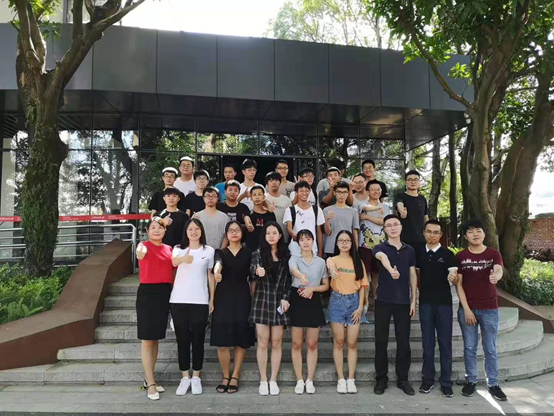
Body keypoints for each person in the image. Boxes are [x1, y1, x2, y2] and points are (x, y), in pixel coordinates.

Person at [454, 219, 507, 401]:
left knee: (490, 348)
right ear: (465, 236)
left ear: (484, 233)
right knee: (469, 348)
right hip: (467, 309)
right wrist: (467, 310)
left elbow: (498, 269)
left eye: (478, 230)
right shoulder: (461, 256)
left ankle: (493, 384)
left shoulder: (493, 254)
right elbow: (458, 285)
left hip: (489, 309)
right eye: (470, 231)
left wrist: (496, 276)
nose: (475, 234)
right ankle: (471, 381)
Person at [372, 214, 418, 396]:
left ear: (401, 227)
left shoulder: (410, 250)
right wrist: (391, 269)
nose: (392, 228)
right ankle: (381, 379)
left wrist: (413, 300)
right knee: (381, 341)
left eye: (395, 224)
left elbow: (413, 275)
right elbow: (381, 257)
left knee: (404, 342)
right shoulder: (379, 247)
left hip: (403, 302)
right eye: (389, 225)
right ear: (384, 229)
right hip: (383, 300)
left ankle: (403, 379)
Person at [171, 219, 215, 396]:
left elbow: (210, 275)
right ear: (186, 231)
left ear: (201, 231)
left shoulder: (209, 250)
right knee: (182, 339)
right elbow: (173, 262)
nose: (194, 232)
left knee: (198, 339)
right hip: (178, 300)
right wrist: (184, 258)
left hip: (200, 300)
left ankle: (196, 376)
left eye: (197, 229)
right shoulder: (178, 248)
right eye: (190, 229)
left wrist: (212, 299)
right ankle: (184, 377)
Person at [210, 221, 255, 394]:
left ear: (242, 233)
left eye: (237, 230)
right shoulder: (220, 252)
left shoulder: (249, 253)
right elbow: (218, 264)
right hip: (223, 297)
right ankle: (225, 376)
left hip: (243, 297)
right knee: (222, 340)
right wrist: (217, 271)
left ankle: (235, 375)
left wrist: (253, 298)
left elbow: (253, 278)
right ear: (226, 234)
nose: (234, 233)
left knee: (240, 338)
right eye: (231, 230)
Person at [250, 222, 292, 396]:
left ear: (280, 235)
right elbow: (252, 270)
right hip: (262, 300)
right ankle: (263, 379)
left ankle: (273, 379)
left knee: (276, 342)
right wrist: (256, 271)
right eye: (268, 233)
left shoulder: (286, 254)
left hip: (279, 302)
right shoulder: (258, 254)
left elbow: (289, 279)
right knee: (262, 342)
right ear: (264, 236)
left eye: (275, 233)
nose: (271, 236)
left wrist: (286, 297)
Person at [416, 220, 457, 397]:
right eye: (429, 231)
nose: (432, 235)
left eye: (436, 232)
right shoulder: (418, 253)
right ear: (424, 233)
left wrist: (454, 278)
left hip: (444, 305)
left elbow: (454, 276)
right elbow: (416, 276)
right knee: (428, 344)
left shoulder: (448, 254)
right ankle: (428, 380)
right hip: (425, 304)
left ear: (441, 235)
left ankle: (446, 382)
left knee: (445, 343)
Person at [326, 231, 369, 394]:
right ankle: (341, 379)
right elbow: (329, 266)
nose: (344, 243)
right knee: (339, 342)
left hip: (354, 303)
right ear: (337, 243)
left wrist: (360, 308)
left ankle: (351, 379)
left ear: (352, 243)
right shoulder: (332, 260)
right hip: (337, 301)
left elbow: (363, 286)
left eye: (347, 241)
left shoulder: (358, 262)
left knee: (352, 343)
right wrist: (331, 268)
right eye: (341, 240)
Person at [135, 218, 174, 401]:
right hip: (147, 294)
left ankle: (150, 378)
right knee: (147, 339)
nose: (157, 230)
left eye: (160, 228)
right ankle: (150, 383)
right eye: (153, 228)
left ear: (165, 231)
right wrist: (140, 250)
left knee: (156, 338)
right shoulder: (143, 246)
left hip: (164, 293)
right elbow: (140, 253)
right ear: (147, 231)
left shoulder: (169, 249)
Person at [288, 229, 329, 395]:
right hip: (297, 299)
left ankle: (309, 379)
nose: (305, 242)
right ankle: (299, 379)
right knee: (296, 343)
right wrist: (301, 277)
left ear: (313, 241)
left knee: (312, 343)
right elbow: (293, 270)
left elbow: (326, 285)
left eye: (308, 239)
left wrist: (313, 288)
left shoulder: (321, 262)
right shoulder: (294, 258)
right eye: (302, 239)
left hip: (313, 300)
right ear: (298, 243)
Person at [359, 180, 391, 310]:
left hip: (381, 245)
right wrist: (377, 209)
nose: (376, 192)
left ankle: (376, 300)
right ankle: (365, 302)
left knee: (377, 274)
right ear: (367, 192)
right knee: (366, 274)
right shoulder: (362, 204)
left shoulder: (386, 207)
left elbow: (385, 222)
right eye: (373, 189)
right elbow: (366, 209)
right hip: (364, 245)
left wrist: (368, 218)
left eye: (378, 189)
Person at [284, 181, 325, 257]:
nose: (304, 193)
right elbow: (289, 227)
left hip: (313, 250)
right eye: (301, 191)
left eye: (306, 191)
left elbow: (319, 231)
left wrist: (320, 251)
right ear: (297, 193)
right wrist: (294, 235)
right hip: (295, 250)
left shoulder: (316, 210)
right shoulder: (290, 210)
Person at [323, 181, 360, 257]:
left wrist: (355, 251)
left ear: (348, 193)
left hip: (348, 247)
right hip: (331, 248)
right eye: (339, 192)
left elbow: (355, 232)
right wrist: (327, 220)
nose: (341, 195)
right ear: (334, 193)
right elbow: (327, 233)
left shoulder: (353, 211)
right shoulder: (327, 210)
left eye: (344, 192)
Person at [395, 170, 429, 252]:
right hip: (405, 240)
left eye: (415, 179)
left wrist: (429, 233)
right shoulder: (401, 196)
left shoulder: (422, 199)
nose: (413, 182)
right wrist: (401, 210)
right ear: (406, 182)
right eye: (410, 179)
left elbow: (426, 217)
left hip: (421, 240)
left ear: (419, 182)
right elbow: (399, 204)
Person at [264, 171, 292, 243]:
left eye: (276, 180)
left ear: (280, 183)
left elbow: (290, 220)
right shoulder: (263, 198)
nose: (274, 183)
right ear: (267, 184)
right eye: (271, 181)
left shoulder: (287, 200)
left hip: (284, 237)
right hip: (268, 238)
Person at [246, 185, 276, 251]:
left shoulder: (270, 215)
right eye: (254, 195)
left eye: (259, 194)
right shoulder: (248, 214)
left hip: (267, 249)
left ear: (264, 197)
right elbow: (246, 219)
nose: (257, 197)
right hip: (251, 249)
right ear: (251, 198)